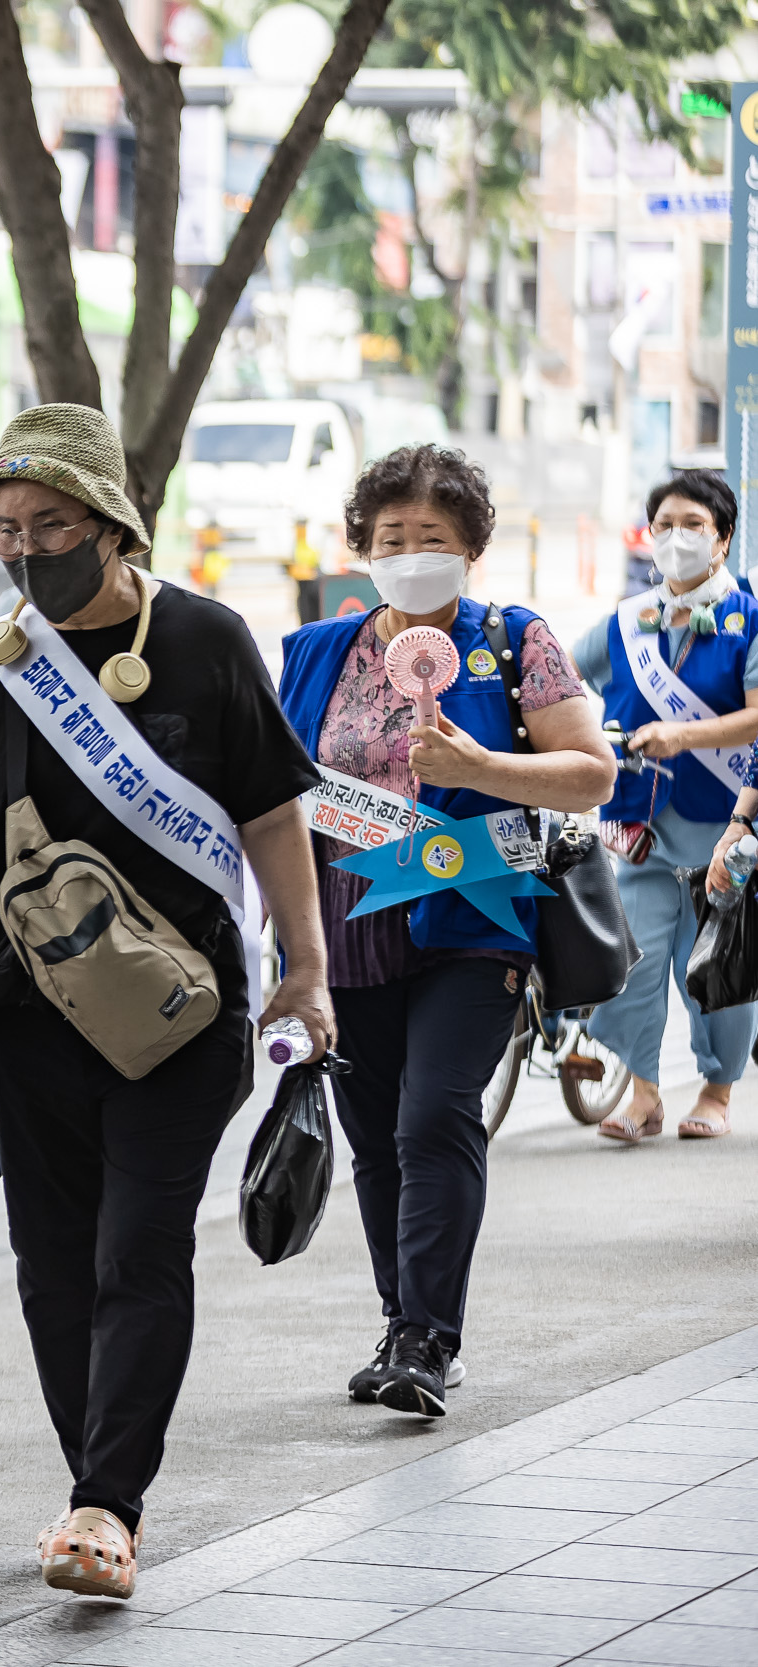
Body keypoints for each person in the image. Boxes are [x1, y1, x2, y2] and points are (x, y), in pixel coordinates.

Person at [0, 403, 336, 1602]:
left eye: (47, 523)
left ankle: (110, 1500)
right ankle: (90, 1489)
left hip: (184, 1010)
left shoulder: (209, 641)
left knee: (138, 1246)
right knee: (52, 1262)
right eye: (4, 529)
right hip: (31, 1013)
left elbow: (273, 812)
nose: (23, 548)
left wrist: (306, 967)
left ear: (110, 522)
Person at [276, 445, 613, 1419]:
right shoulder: (315, 650)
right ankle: (398, 1326)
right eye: (391, 539)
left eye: (433, 538)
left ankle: (430, 1333)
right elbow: (268, 787)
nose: (411, 554)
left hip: (472, 914)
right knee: (375, 1134)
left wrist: (482, 763)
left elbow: (590, 773)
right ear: (360, 548)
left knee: (434, 1115)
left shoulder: (512, 642)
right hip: (343, 921)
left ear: (471, 548)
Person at [574, 468, 758, 1142]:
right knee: (635, 955)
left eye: (693, 525)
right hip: (638, 820)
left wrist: (682, 735)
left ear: (723, 538)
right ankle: (645, 1090)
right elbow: (565, 681)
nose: (676, 538)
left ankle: (716, 1086)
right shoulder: (626, 622)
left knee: (714, 958)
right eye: (665, 526)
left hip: (722, 821)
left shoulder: (749, 621)